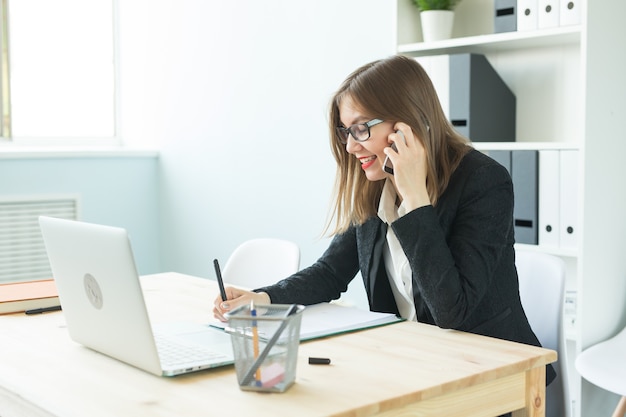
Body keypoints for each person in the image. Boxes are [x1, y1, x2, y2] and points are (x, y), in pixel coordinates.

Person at [213, 55, 556, 388]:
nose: (349, 146)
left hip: (492, 373)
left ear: (407, 121)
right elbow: (331, 273)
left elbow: (453, 312)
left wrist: (415, 198)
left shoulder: (483, 181)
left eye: (360, 129)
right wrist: (261, 299)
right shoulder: (376, 186)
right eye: (346, 132)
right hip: (412, 364)